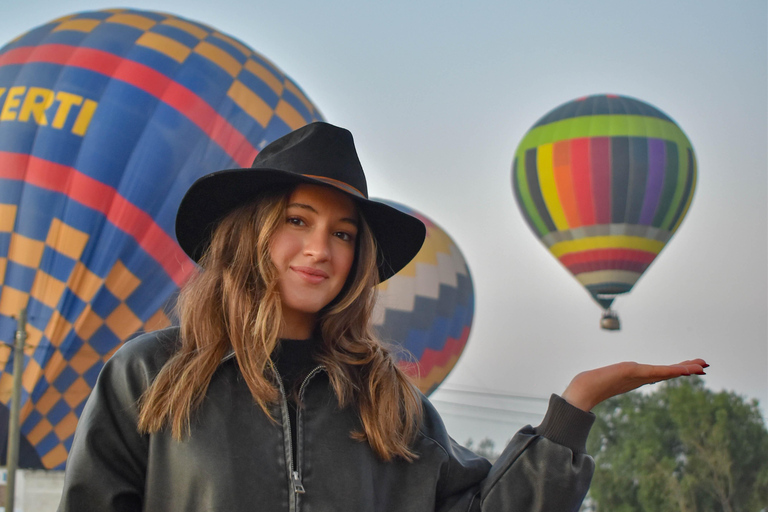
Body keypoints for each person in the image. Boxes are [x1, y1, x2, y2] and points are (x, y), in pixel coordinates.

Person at [58, 122, 707, 512]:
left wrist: (573, 411)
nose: (320, 249)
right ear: (245, 234)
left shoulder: (385, 398)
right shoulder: (150, 375)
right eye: (296, 221)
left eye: (344, 234)